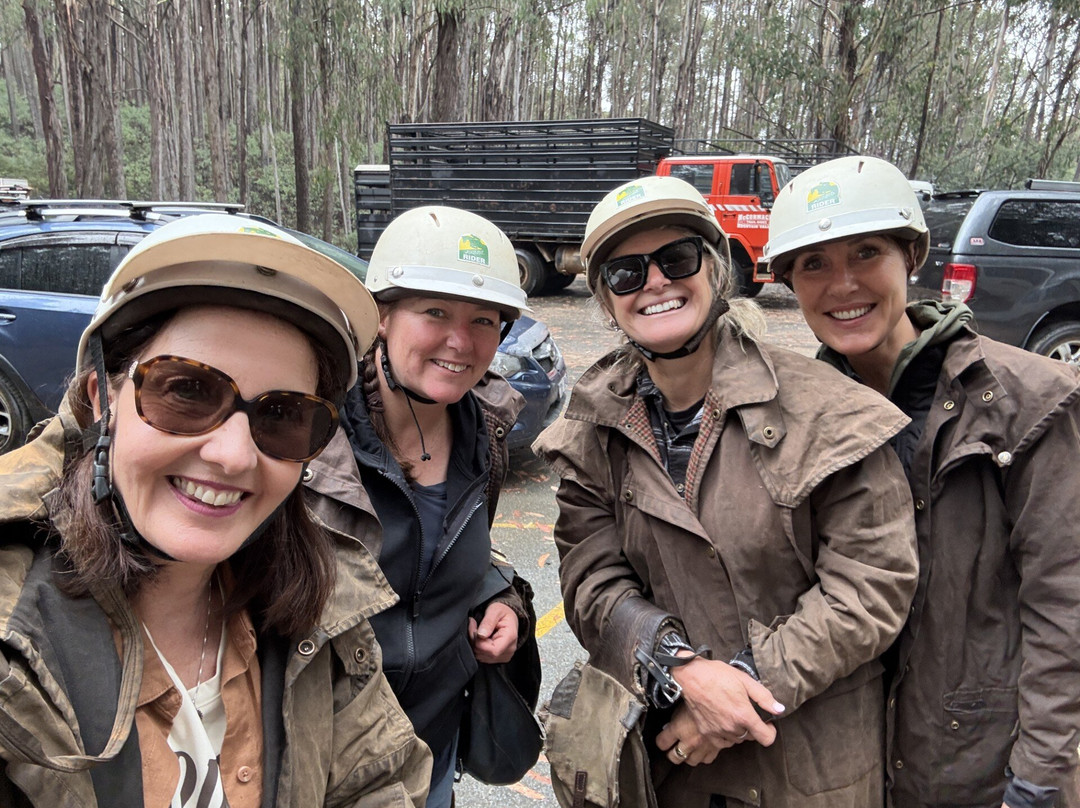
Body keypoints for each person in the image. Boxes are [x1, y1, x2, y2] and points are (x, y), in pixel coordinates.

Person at [0, 214, 431, 807]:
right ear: (104, 398)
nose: (232, 455)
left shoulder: (320, 602)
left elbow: (380, 781)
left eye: (281, 415)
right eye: (185, 390)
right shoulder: (15, 633)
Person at [532, 175, 919, 808]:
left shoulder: (832, 413)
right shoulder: (590, 428)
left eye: (676, 259)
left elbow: (871, 586)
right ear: (606, 302)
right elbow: (591, 577)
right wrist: (678, 667)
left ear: (715, 271)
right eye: (626, 274)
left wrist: (741, 687)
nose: (655, 282)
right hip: (672, 766)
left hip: (809, 764)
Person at [765, 155, 1080, 808]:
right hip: (841, 769)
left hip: (977, 770)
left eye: (866, 252)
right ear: (789, 281)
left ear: (910, 256)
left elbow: (1065, 610)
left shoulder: (1029, 404)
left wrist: (1038, 784)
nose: (842, 284)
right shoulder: (785, 418)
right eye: (814, 264)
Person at [303, 205, 534, 807]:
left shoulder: (485, 436)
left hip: (431, 748)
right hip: (319, 766)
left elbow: (456, 543)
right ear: (382, 315)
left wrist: (496, 593)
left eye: (484, 320)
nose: (461, 341)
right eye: (435, 312)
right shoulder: (313, 436)